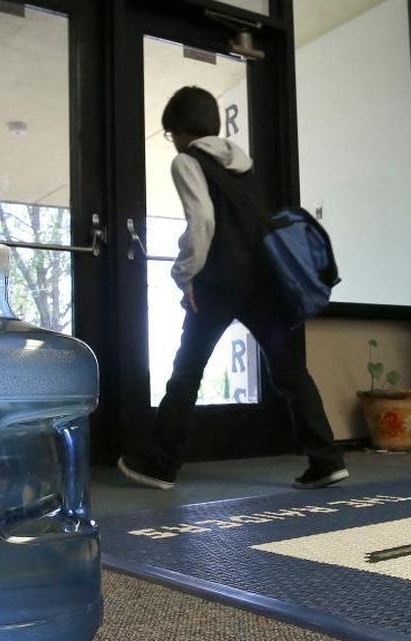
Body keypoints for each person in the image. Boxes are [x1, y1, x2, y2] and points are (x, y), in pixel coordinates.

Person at [118, 86, 349, 491]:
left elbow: (203, 220)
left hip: (221, 282)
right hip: (264, 281)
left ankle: (161, 465)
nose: (173, 141)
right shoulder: (242, 164)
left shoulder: (186, 161)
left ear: (179, 130)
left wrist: (185, 274)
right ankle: (326, 459)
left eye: (172, 133)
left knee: (187, 370)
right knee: (291, 371)